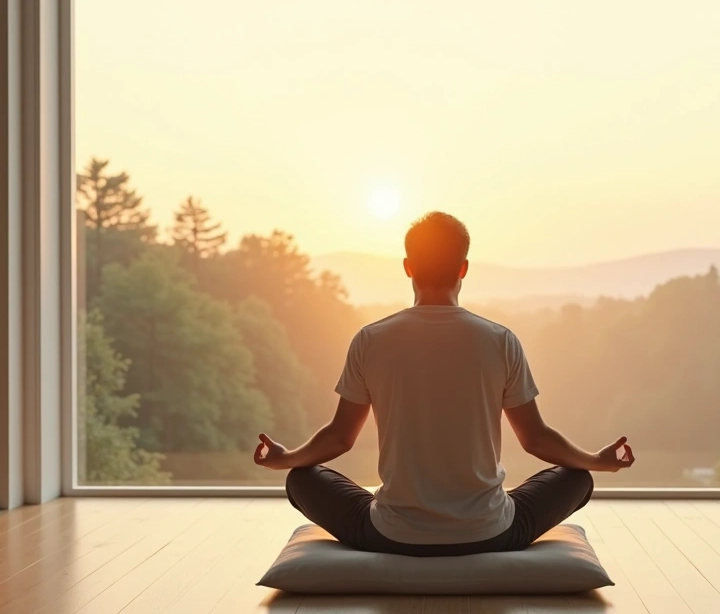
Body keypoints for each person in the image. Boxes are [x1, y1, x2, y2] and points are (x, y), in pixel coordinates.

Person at [253, 211, 634, 557]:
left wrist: (285, 459)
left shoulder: (370, 340)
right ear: (464, 268)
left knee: (302, 479)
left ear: (407, 267)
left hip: (392, 535)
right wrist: (596, 461)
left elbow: (339, 438)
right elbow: (535, 439)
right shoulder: (500, 340)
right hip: (490, 533)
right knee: (577, 478)